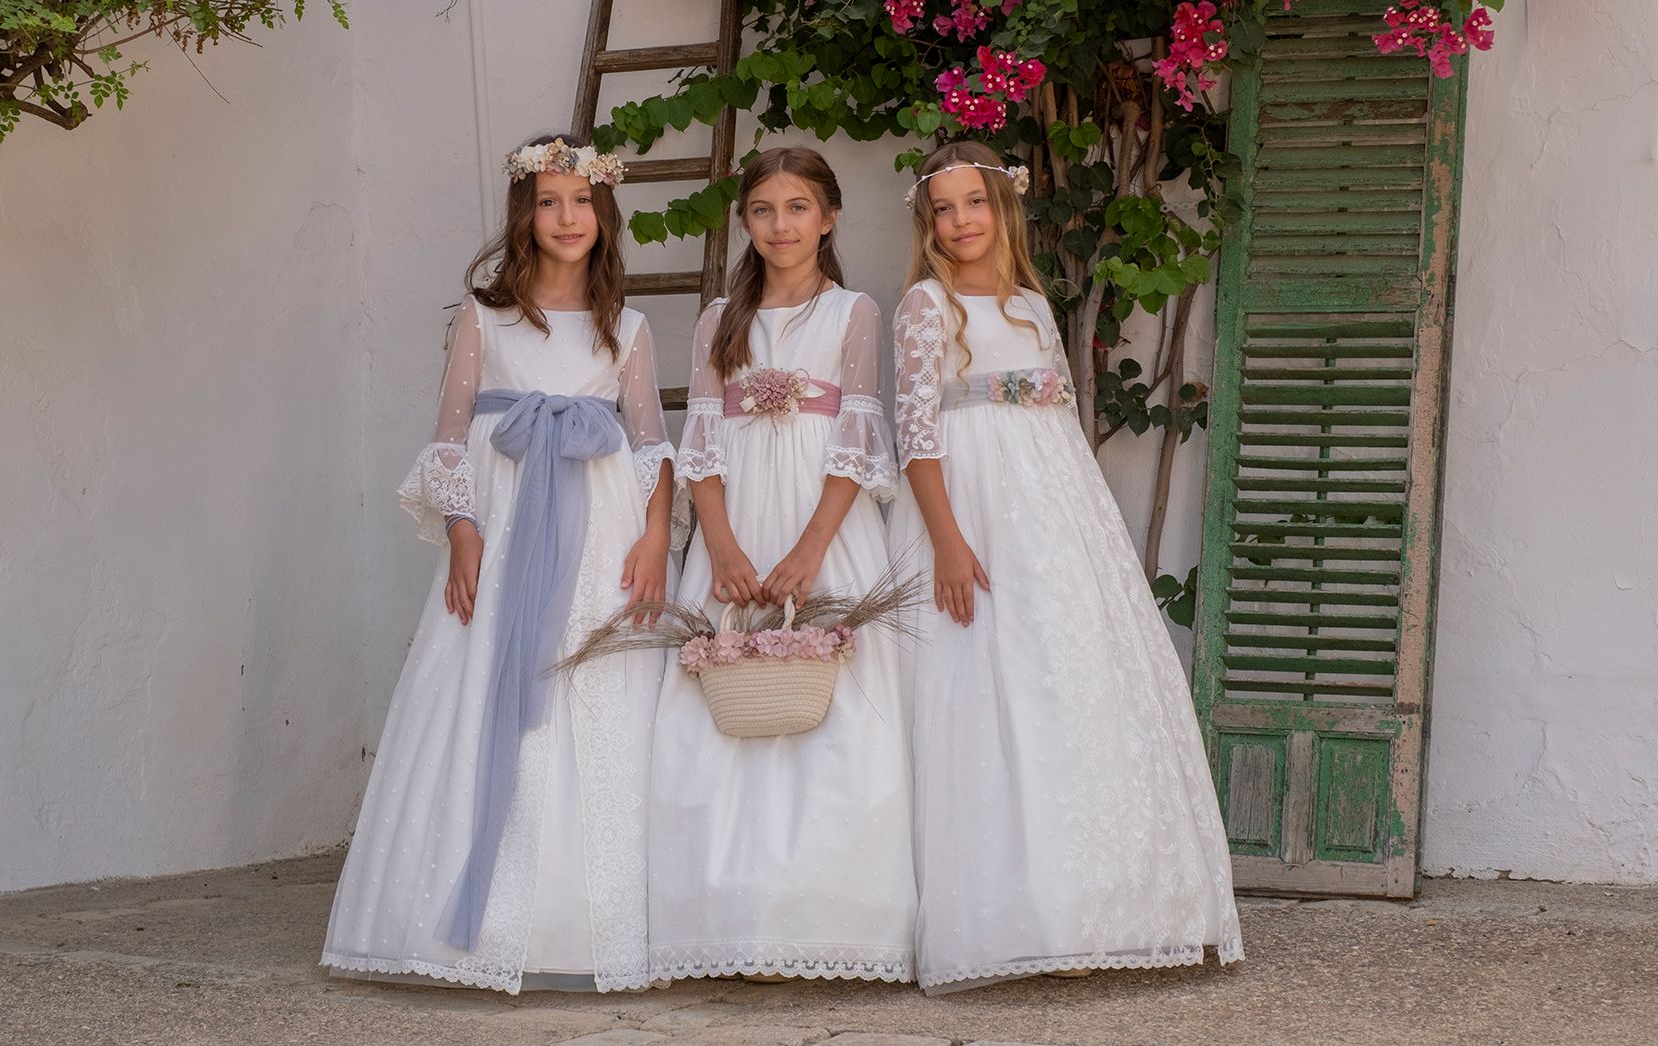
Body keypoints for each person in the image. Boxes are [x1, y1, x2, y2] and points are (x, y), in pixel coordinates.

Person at [321, 133, 675, 994]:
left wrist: (656, 536)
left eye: (581, 202)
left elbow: (650, 444)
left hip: (598, 538)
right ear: (525, 215)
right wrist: (463, 532)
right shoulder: (485, 319)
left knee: (591, 689)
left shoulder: (627, 328)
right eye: (549, 202)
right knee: (482, 678)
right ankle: (465, 925)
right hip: (507, 530)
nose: (567, 217)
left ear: (604, 213)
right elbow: (450, 438)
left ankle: (588, 928)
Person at [889, 140, 1244, 994]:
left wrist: (1085, 533)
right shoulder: (926, 306)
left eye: (976, 202)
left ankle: (1087, 906)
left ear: (1003, 207)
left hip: (1049, 513)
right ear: (928, 222)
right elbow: (917, 436)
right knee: (982, 687)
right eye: (945, 208)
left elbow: (1057, 425)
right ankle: (1007, 913)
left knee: (1064, 681)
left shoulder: (1030, 306)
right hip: (968, 508)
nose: (961, 221)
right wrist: (947, 540)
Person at [646, 147, 916, 984]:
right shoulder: (718, 321)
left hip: (821, 527)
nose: (780, 225)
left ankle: (829, 919)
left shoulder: (855, 313)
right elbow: (701, 441)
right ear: (746, 223)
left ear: (828, 218)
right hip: (737, 528)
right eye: (763, 210)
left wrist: (810, 550)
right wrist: (720, 545)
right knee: (720, 706)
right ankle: (724, 920)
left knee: (841, 710)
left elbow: (857, 436)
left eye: (798, 208)